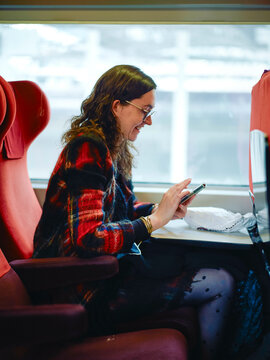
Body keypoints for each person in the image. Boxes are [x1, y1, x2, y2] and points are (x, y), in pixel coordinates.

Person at [33, 64, 242, 360]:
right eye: (144, 111)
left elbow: (123, 209)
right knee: (220, 283)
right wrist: (153, 221)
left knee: (216, 267)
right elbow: (89, 239)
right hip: (84, 291)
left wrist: (162, 210)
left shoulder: (113, 149)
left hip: (108, 276)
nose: (148, 121)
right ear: (117, 106)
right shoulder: (87, 149)